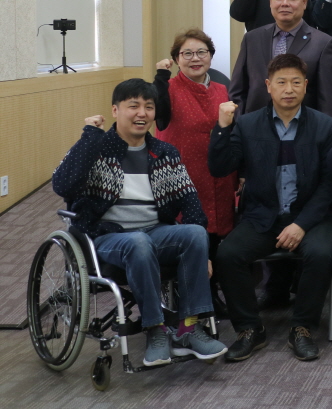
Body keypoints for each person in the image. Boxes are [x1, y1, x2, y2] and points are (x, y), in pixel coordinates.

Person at [52, 79, 226, 367]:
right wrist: (89, 137)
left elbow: (190, 202)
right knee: (139, 241)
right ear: (115, 110)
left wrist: (203, 252)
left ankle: (188, 329)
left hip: (155, 232)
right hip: (107, 236)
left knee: (196, 233)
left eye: (148, 107)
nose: (142, 113)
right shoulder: (97, 147)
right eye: (133, 106)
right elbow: (63, 185)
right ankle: (155, 329)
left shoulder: (164, 152)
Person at [210, 54, 332, 362]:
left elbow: (329, 184)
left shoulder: (324, 126)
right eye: (281, 82)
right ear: (268, 86)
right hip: (262, 216)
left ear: (305, 86)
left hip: (309, 216)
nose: (289, 89)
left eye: (296, 82)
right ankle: (249, 329)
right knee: (229, 254)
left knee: (321, 253)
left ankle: (302, 327)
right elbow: (220, 167)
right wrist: (222, 128)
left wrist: (301, 224)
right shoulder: (247, 124)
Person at [153, 29, 236, 317]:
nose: (195, 58)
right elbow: (159, 119)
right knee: (191, 232)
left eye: (201, 52)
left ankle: (210, 295)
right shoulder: (167, 89)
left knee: (215, 234)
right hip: (182, 175)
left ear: (211, 56)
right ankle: (190, 297)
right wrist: (160, 77)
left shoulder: (222, 89)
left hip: (218, 173)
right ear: (176, 59)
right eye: (187, 53)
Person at [230, 0, 332, 118]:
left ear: (304, 2)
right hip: (255, 125)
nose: (285, 3)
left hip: (303, 127)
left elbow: (328, 100)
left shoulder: (323, 43)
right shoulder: (251, 39)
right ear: (270, 1)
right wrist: (240, 123)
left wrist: (324, 130)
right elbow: (237, 91)